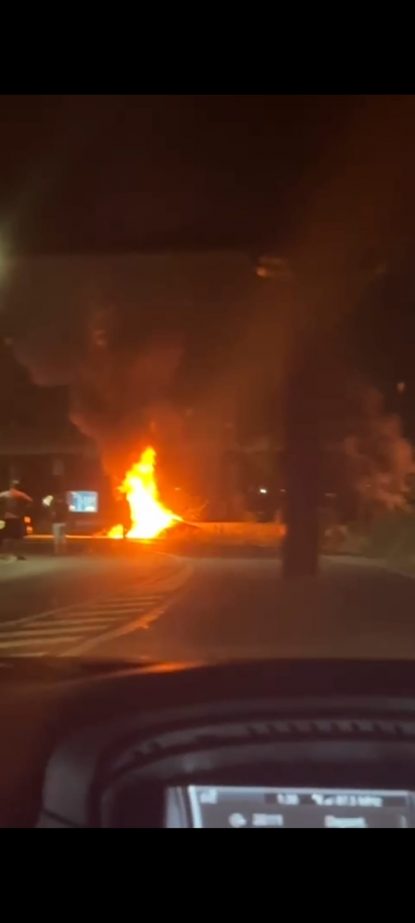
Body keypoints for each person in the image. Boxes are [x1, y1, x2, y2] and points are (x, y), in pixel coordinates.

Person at [0, 480, 33, 559]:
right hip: (15, 517)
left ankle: (4, 553)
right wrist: (24, 508)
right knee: (17, 537)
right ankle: (15, 553)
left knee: (7, 536)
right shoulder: (19, 494)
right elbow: (30, 500)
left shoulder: (6, 494)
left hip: (7, 517)